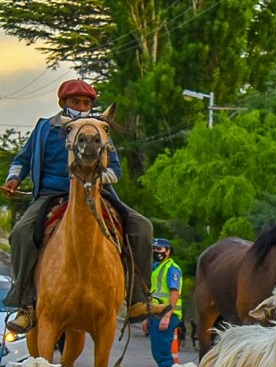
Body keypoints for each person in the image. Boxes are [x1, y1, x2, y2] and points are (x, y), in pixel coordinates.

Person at [2, 78, 170, 333]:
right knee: (20, 233)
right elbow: (22, 159)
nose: (81, 106)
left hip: (95, 193)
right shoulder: (44, 128)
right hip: (51, 194)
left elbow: (114, 169)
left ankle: (138, 298)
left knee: (142, 226)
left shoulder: (98, 128)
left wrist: (93, 180)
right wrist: (14, 178)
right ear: (62, 103)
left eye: (86, 102)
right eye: (75, 102)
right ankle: (24, 305)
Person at [144, 238, 182, 367]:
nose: (155, 251)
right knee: (158, 352)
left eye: (159, 249)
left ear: (168, 251)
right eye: (154, 249)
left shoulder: (172, 268)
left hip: (166, 315)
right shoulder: (155, 268)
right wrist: (147, 317)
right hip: (156, 314)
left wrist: (167, 315)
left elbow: (174, 292)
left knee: (162, 355)